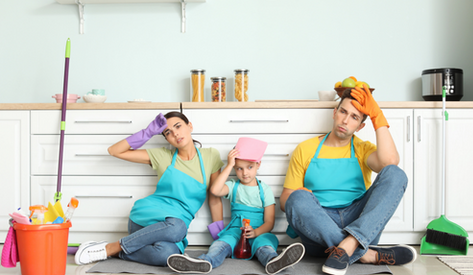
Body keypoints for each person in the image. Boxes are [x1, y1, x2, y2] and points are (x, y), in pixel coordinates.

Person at [279, 86, 417, 275]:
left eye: (354, 117)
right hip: (320, 228)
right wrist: (301, 194)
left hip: (359, 221)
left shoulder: (362, 149)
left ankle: (349, 245)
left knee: (395, 173)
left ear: (361, 126)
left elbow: (390, 162)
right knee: (296, 198)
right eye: (343, 112)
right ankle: (366, 254)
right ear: (335, 113)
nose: (345, 120)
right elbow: (285, 200)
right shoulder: (306, 149)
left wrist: (377, 115)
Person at [75, 111, 225, 266]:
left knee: (167, 255)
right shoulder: (162, 156)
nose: (175, 133)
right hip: (146, 219)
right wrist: (148, 132)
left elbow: (214, 199)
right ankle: (110, 248)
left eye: (178, 126)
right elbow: (114, 151)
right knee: (177, 227)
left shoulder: (210, 156)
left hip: (172, 227)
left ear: (190, 126)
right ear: (166, 138)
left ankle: (116, 250)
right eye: (168, 132)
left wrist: (219, 236)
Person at [167, 137, 305, 275]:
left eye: (249, 167)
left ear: (258, 164)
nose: (244, 173)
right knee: (220, 245)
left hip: (258, 232)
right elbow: (215, 190)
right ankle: (205, 262)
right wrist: (228, 165)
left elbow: (269, 222)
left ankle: (273, 261)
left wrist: (256, 232)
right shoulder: (233, 186)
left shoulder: (265, 190)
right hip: (235, 231)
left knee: (265, 244)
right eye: (239, 168)